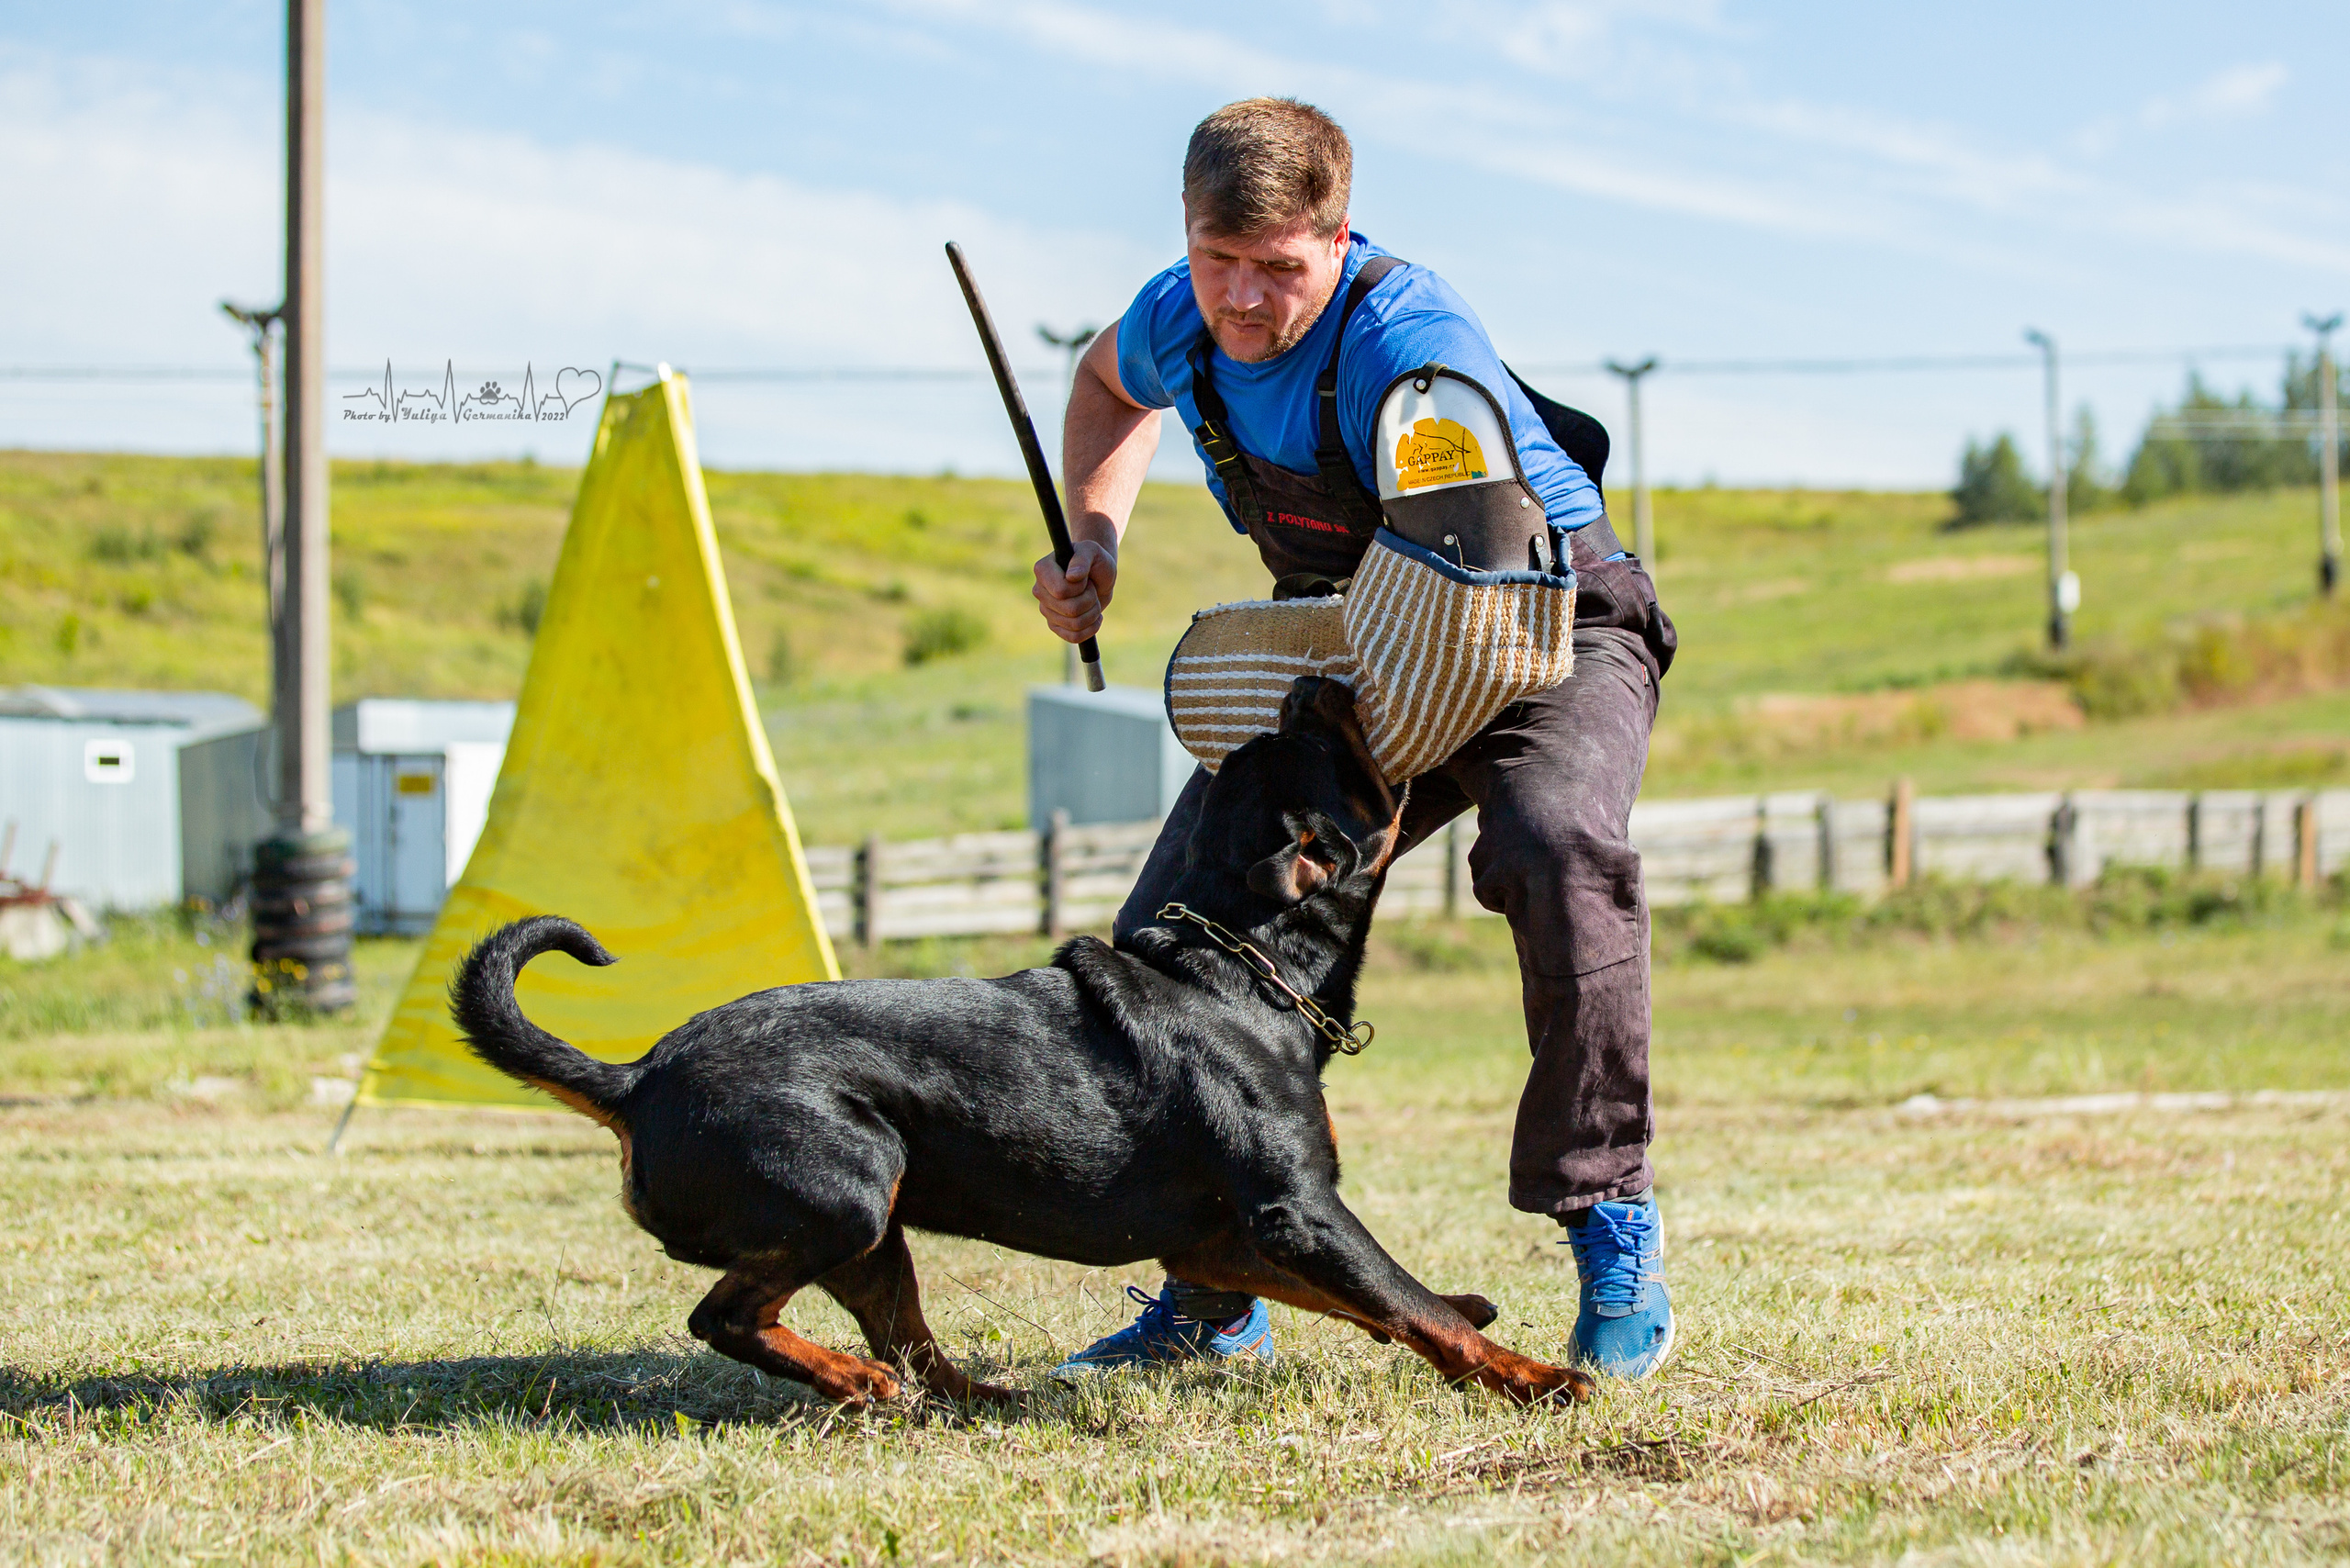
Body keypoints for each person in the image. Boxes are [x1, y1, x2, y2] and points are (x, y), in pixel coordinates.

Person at [1034, 98, 1678, 1382]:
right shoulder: (1180, 315)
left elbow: (1467, 617)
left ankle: (1609, 1214)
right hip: (1351, 631)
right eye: (1221, 262)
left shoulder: (1412, 347)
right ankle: (1220, 1293)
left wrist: (1357, 818)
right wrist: (1095, 537)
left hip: (1538, 618)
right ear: (1186, 230)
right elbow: (1105, 389)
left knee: (1551, 846)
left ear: (1337, 237)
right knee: (1179, 935)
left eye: (1279, 268)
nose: (1245, 299)